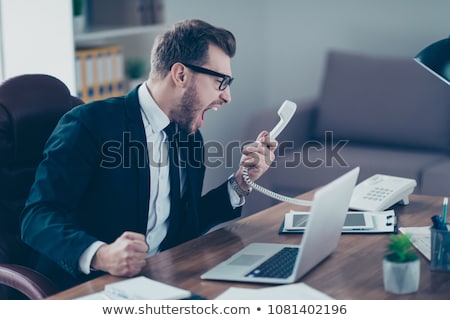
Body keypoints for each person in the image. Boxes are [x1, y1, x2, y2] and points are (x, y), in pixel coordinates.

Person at [20, 19, 277, 291]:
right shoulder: (90, 124)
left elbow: (184, 225)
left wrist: (240, 182)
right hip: (91, 287)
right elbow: (36, 217)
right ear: (180, 75)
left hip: (162, 279)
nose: (227, 97)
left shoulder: (188, 135)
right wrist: (101, 254)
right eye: (220, 82)